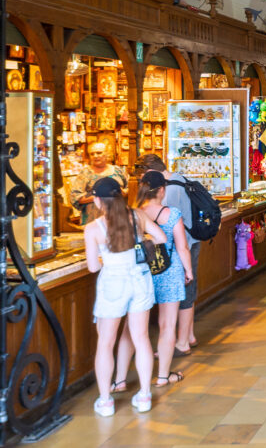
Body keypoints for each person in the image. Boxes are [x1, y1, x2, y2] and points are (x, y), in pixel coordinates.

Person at [84, 177, 165, 417]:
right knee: (141, 338)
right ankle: (144, 396)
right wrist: (143, 244)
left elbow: (92, 268)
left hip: (113, 283)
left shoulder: (94, 228)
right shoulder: (137, 217)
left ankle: (106, 401)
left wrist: (105, 257)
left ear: (98, 201)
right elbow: (160, 237)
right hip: (140, 279)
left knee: (106, 343)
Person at [112, 171, 194, 391]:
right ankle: (162, 376)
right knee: (167, 325)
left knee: (131, 328)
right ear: (162, 190)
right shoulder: (172, 214)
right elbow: (182, 247)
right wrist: (188, 270)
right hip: (169, 272)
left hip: (142, 273)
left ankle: (119, 380)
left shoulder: (133, 214)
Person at [133, 154, 198, 356]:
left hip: (161, 261)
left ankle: (181, 341)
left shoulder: (138, 211)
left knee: (162, 316)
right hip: (176, 260)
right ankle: (184, 340)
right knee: (173, 312)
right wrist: (188, 269)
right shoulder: (180, 182)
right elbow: (180, 244)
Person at [70, 141, 128, 224]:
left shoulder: (118, 171)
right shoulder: (85, 173)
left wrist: (124, 192)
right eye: (92, 154)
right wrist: (100, 196)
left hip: (117, 217)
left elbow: (130, 188)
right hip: (93, 218)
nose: (95, 156)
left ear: (107, 154)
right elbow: (75, 197)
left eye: (99, 153)